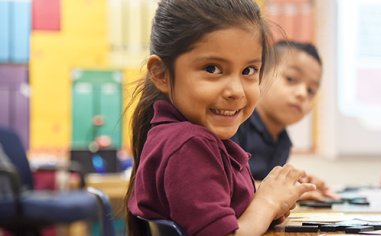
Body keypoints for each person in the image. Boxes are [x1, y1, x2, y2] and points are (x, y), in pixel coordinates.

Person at [124, 1, 316, 236]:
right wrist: (266, 203)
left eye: (248, 71)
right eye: (212, 68)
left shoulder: (191, 138)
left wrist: (270, 205)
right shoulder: (189, 145)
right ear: (161, 74)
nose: (236, 90)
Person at [232, 41, 338, 201]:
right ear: (260, 77)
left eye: (311, 90)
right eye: (291, 78)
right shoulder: (234, 122)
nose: (302, 93)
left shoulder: (283, 142)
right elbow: (229, 188)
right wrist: (289, 190)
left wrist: (299, 183)